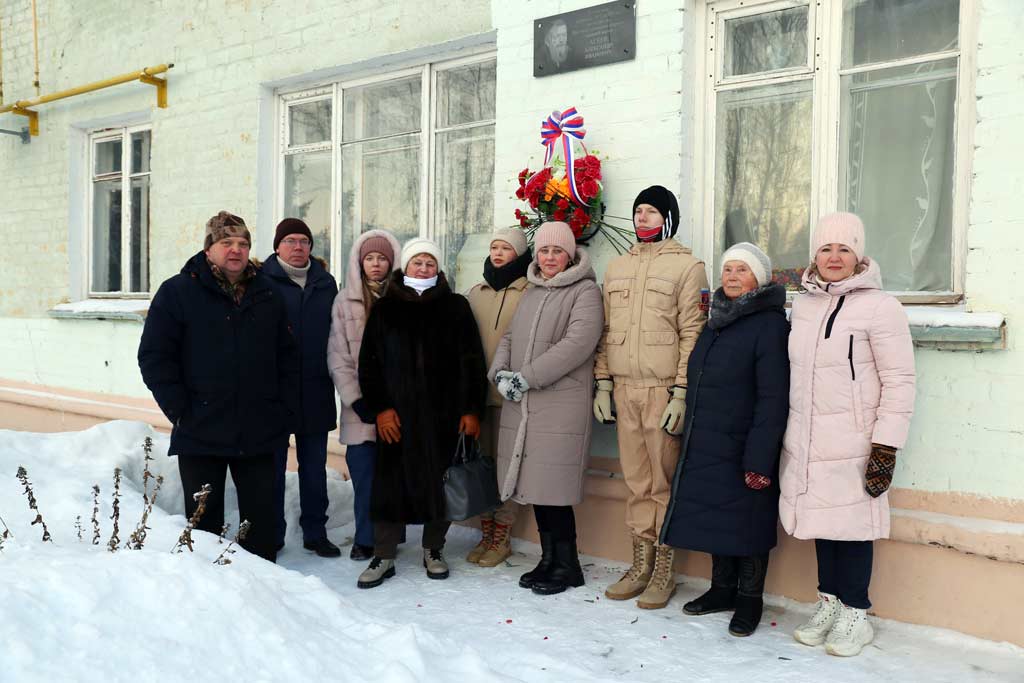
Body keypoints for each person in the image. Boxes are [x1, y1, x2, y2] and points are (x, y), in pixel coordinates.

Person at [780, 212, 916, 657]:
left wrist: (885, 445)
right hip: (809, 436)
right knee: (823, 522)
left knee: (853, 528)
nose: (834, 257)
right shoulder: (802, 305)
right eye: (825, 249)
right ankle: (830, 603)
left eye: (844, 249)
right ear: (814, 256)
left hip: (857, 441)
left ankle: (856, 613)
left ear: (858, 256)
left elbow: (900, 380)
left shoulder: (881, 308)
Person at [138, 211, 298, 563]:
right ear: (209, 248)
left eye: (243, 244)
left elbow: (288, 357)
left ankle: (261, 596)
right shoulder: (178, 291)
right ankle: (208, 604)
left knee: (261, 527)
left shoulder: (267, 293)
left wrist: (282, 411)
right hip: (201, 429)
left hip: (259, 430)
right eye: (226, 243)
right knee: (203, 528)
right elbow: (154, 357)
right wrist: (180, 410)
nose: (236, 250)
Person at [660, 242, 790, 637]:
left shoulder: (769, 325)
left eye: (742, 271)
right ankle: (722, 590)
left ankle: (749, 599)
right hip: (710, 439)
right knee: (718, 516)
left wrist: (760, 458)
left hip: (746, 443)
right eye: (728, 269)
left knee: (748, 522)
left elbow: (773, 397)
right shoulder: (717, 319)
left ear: (759, 279)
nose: (732, 277)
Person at [594, 186, 710, 609]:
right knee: (636, 481)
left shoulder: (688, 267)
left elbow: (692, 333)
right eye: (638, 211)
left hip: (662, 391)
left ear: (668, 218)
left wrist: (681, 392)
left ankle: (664, 569)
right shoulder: (617, 268)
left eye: (652, 212)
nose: (643, 218)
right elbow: (605, 332)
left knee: (662, 482)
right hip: (625, 389)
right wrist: (603, 383)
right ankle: (639, 564)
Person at [355, 237, 487, 588]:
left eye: (430, 263)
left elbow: (472, 363)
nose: (424, 268)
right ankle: (383, 554)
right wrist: (381, 409)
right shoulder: (386, 309)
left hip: (442, 416)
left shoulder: (455, 307)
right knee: (389, 485)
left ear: (438, 268)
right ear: (406, 266)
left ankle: (434, 549)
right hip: (395, 418)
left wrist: (471, 410)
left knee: (437, 483)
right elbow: (368, 365)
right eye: (418, 262)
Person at [489, 222, 604, 595]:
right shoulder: (533, 291)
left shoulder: (584, 291)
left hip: (559, 404)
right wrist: (500, 372)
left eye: (557, 251)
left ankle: (567, 565)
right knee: (537, 487)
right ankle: (548, 559)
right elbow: (509, 335)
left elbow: (578, 343)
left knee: (554, 488)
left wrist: (527, 377)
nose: (549, 258)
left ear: (569, 255)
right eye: (543, 251)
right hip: (526, 404)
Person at [263, 218, 340, 558]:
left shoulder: (325, 283)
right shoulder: (262, 281)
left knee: (314, 470)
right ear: (278, 246)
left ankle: (315, 532)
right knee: (272, 471)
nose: (298, 247)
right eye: (291, 241)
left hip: (315, 390)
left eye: (304, 241)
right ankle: (272, 534)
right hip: (275, 393)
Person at [327, 229, 402, 561]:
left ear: (391, 262)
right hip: (359, 409)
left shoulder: (402, 298)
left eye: (382, 258)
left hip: (399, 407)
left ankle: (390, 537)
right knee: (365, 476)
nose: (375, 264)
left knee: (395, 477)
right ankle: (365, 537)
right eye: (369, 258)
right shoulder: (345, 301)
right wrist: (356, 400)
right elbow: (338, 356)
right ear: (360, 261)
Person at [465, 227, 532, 568]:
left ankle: (502, 534)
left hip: (512, 397)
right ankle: (485, 530)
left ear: (519, 255)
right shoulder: (476, 293)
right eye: (494, 247)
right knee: (483, 467)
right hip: (479, 399)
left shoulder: (529, 292)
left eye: (506, 248)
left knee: (509, 469)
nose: (498, 253)